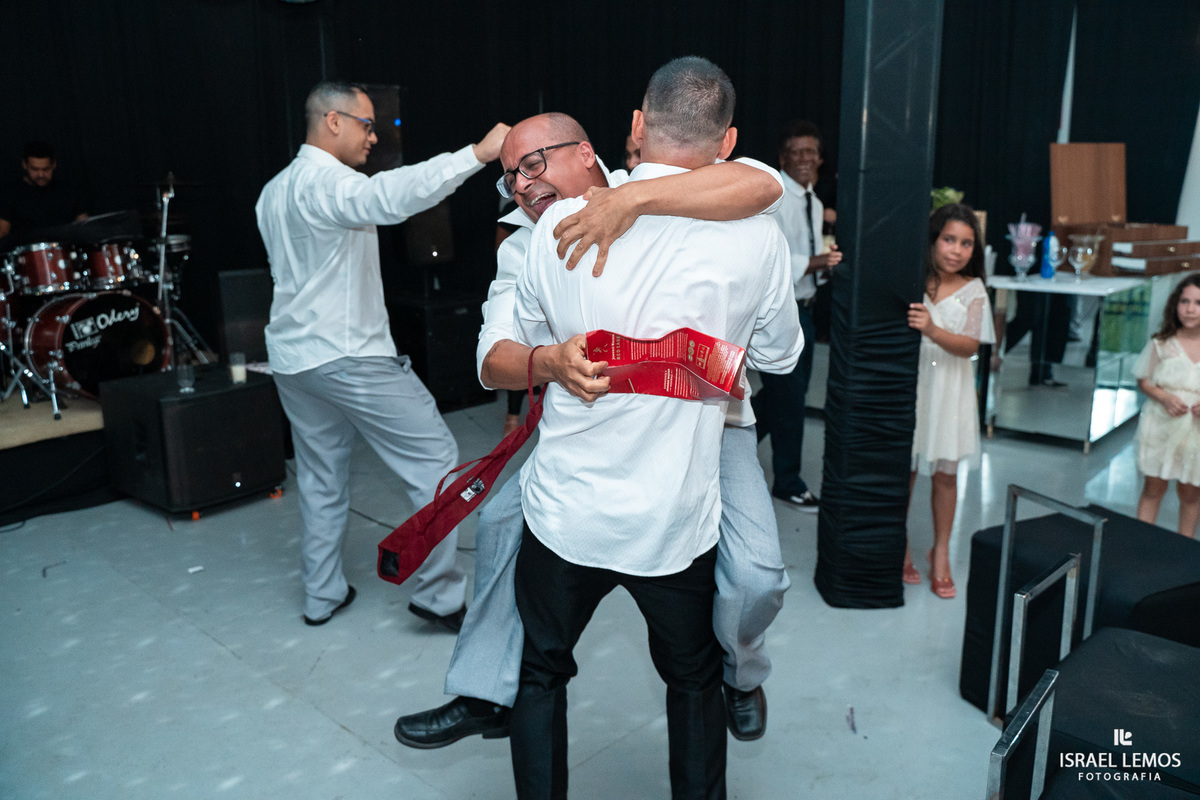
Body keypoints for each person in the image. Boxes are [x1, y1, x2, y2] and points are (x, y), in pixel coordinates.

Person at [393, 111, 790, 749]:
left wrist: (629, 199)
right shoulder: (527, 241)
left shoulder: (654, 184)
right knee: (500, 524)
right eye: (509, 178)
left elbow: (763, 184)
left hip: (713, 421)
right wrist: (549, 361)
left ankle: (741, 674)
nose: (521, 185)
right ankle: (488, 693)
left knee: (756, 574)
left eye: (532, 165)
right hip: (594, 427)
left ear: (585, 154)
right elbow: (491, 358)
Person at [508, 56, 802, 799]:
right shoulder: (760, 238)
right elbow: (780, 354)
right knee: (696, 683)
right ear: (727, 140)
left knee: (542, 675)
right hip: (672, 521)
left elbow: (536, 343)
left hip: (565, 513)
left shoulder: (553, 233)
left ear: (636, 127)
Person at [255, 80, 509, 627]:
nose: (375, 136)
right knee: (436, 460)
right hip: (348, 355)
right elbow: (391, 197)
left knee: (321, 478)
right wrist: (479, 154)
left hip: (294, 360)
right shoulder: (329, 184)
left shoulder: (272, 192)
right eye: (368, 125)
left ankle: (321, 595)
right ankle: (439, 596)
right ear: (333, 122)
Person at [905, 203, 995, 598]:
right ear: (933, 240)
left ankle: (940, 551)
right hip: (914, 383)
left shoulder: (974, 290)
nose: (957, 250)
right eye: (949, 239)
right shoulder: (913, 278)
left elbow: (971, 345)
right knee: (904, 469)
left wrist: (933, 329)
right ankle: (899, 543)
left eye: (966, 243)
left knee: (945, 473)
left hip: (950, 389)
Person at [751, 121, 842, 510]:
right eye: (796, 152)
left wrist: (824, 267)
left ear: (820, 159)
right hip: (778, 311)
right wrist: (815, 261)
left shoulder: (815, 201)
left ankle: (723, 442)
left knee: (784, 395)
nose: (804, 159)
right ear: (783, 158)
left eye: (811, 152)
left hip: (805, 306)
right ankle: (788, 480)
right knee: (788, 400)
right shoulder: (775, 198)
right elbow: (771, 259)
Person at [1133, 274, 1200, 538]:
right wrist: (1164, 397)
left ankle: (1184, 552)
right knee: (1153, 487)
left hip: (1195, 429)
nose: (1190, 308)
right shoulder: (1162, 342)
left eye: (1198, 302)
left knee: (1191, 491)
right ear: (1176, 304)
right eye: (1185, 301)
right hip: (1160, 422)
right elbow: (1144, 381)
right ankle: (1140, 544)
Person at [0, 141, 87, 244]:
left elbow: (84, 225)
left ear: (53, 165)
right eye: (35, 169)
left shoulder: (68, 191)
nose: (41, 175)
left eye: (46, 169)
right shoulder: (9, 194)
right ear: (24, 165)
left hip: (66, 251)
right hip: (28, 254)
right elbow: (2, 232)